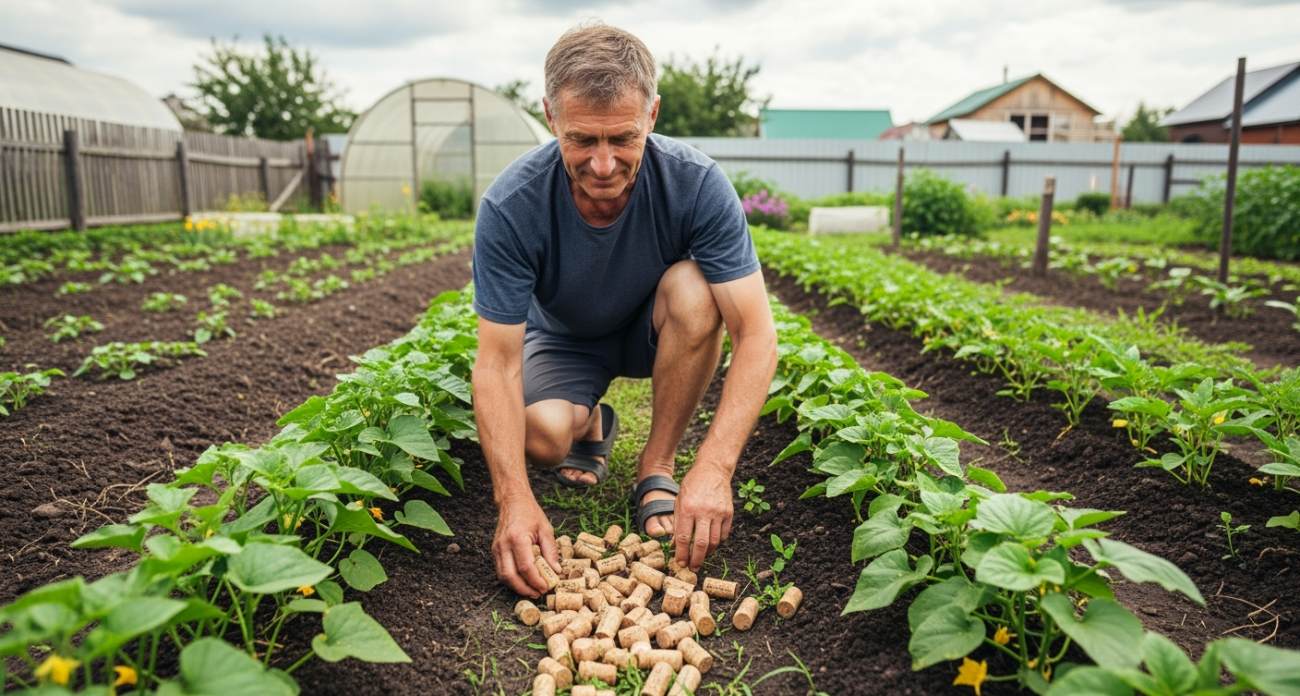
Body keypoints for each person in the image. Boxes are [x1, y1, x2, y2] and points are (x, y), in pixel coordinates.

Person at [471, 22, 777, 600]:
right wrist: (512, 498)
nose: (604, 164)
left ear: (653, 115)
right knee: (540, 439)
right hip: (565, 338)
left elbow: (756, 335)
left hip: (653, 329)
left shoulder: (697, 184)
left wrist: (714, 468)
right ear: (550, 116)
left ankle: (654, 465)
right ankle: (588, 421)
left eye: (623, 139)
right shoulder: (511, 205)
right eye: (583, 139)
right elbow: (496, 365)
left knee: (696, 288)